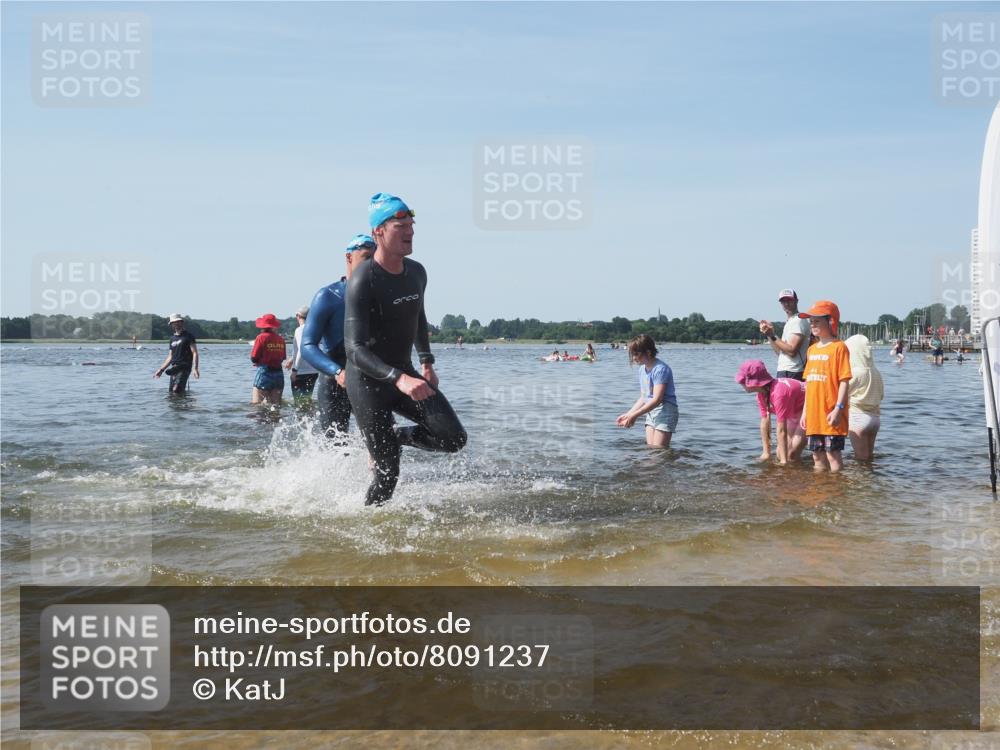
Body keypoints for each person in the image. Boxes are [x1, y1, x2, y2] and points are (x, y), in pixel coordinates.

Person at [344, 193, 466, 506]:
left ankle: (399, 437)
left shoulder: (417, 273)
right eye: (401, 225)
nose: (410, 231)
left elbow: (418, 315)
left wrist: (426, 362)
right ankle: (367, 526)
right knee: (387, 476)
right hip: (369, 382)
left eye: (411, 224)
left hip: (405, 373)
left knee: (453, 438)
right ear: (379, 232)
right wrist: (399, 378)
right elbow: (354, 348)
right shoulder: (363, 279)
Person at [301, 235, 375, 437]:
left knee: (385, 443)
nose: (372, 264)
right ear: (349, 258)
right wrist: (337, 372)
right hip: (335, 380)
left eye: (375, 258)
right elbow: (307, 346)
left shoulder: (380, 296)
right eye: (366, 257)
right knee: (335, 447)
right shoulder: (328, 296)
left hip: (370, 379)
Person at [798, 301, 852, 472]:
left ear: (830, 321)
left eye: (817, 321)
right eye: (811, 321)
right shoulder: (811, 350)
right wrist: (805, 412)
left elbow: (844, 380)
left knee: (833, 455)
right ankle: (820, 493)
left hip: (831, 413)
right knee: (817, 457)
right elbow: (808, 384)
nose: (813, 324)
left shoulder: (839, 347)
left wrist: (838, 408)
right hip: (814, 415)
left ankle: (837, 495)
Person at [735, 359, 806, 464]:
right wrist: (766, 453)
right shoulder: (761, 394)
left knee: (791, 453)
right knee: (779, 453)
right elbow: (765, 421)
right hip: (795, 411)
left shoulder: (779, 394)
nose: (741, 384)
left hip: (810, 406)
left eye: (743, 381)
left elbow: (781, 429)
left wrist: (783, 462)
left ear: (755, 382)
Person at [616, 334, 678, 448]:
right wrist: (629, 414)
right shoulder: (642, 370)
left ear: (648, 352)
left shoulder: (660, 369)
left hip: (666, 411)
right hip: (651, 412)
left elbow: (657, 399)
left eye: (636, 354)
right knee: (651, 450)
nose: (634, 358)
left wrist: (635, 416)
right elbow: (644, 397)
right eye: (632, 354)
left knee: (659, 451)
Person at [844, 335, 883, 461]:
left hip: (858, 418)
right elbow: (881, 395)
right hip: (875, 419)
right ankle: (870, 479)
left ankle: (861, 480)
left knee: (860, 459)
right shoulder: (876, 372)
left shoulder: (855, 373)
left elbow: (841, 394)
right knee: (869, 457)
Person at [759, 289, 810, 380]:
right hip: (784, 370)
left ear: (796, 301)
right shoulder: (790, 321)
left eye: (789, 300)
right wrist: (769, 334)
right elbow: (780, 352)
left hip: (794, 371)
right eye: (783, 301)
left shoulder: (798, 320)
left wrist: (773, 335)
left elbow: (791, 351)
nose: (786, 303)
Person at [154, 313, 199, 394]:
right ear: (171, 324)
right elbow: (170, 357)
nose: (177, 324)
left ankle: (182, 404)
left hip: (184, 367)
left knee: (176, 389)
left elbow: (195, 352)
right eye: (174, 322)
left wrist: (195, 368)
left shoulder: (188, 336)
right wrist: (161, 370)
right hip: (174, 368)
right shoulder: (172, 338)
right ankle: (182, 405)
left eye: (178, 321)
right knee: (171, 392)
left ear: (182, 322)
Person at [250, 313, 286, 405]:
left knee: (257, 405)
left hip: (265, 373)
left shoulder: (261, 337)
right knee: (276, 406)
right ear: (274, 326)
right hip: (278, 374)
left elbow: (253, 358)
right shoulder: (281, 339)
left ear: (263, 326)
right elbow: (282, 358)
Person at [285, 305, 319, 400]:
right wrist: (292, 359)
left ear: (298, 316)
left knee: (299, 402)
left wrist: (294, 370)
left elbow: (302, 350)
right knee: (307, 399)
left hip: (301, 372)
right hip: (314, 371)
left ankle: (303, 415)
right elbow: (312, 347)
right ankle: (311, 414)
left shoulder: (300, 330)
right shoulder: (315, 329)